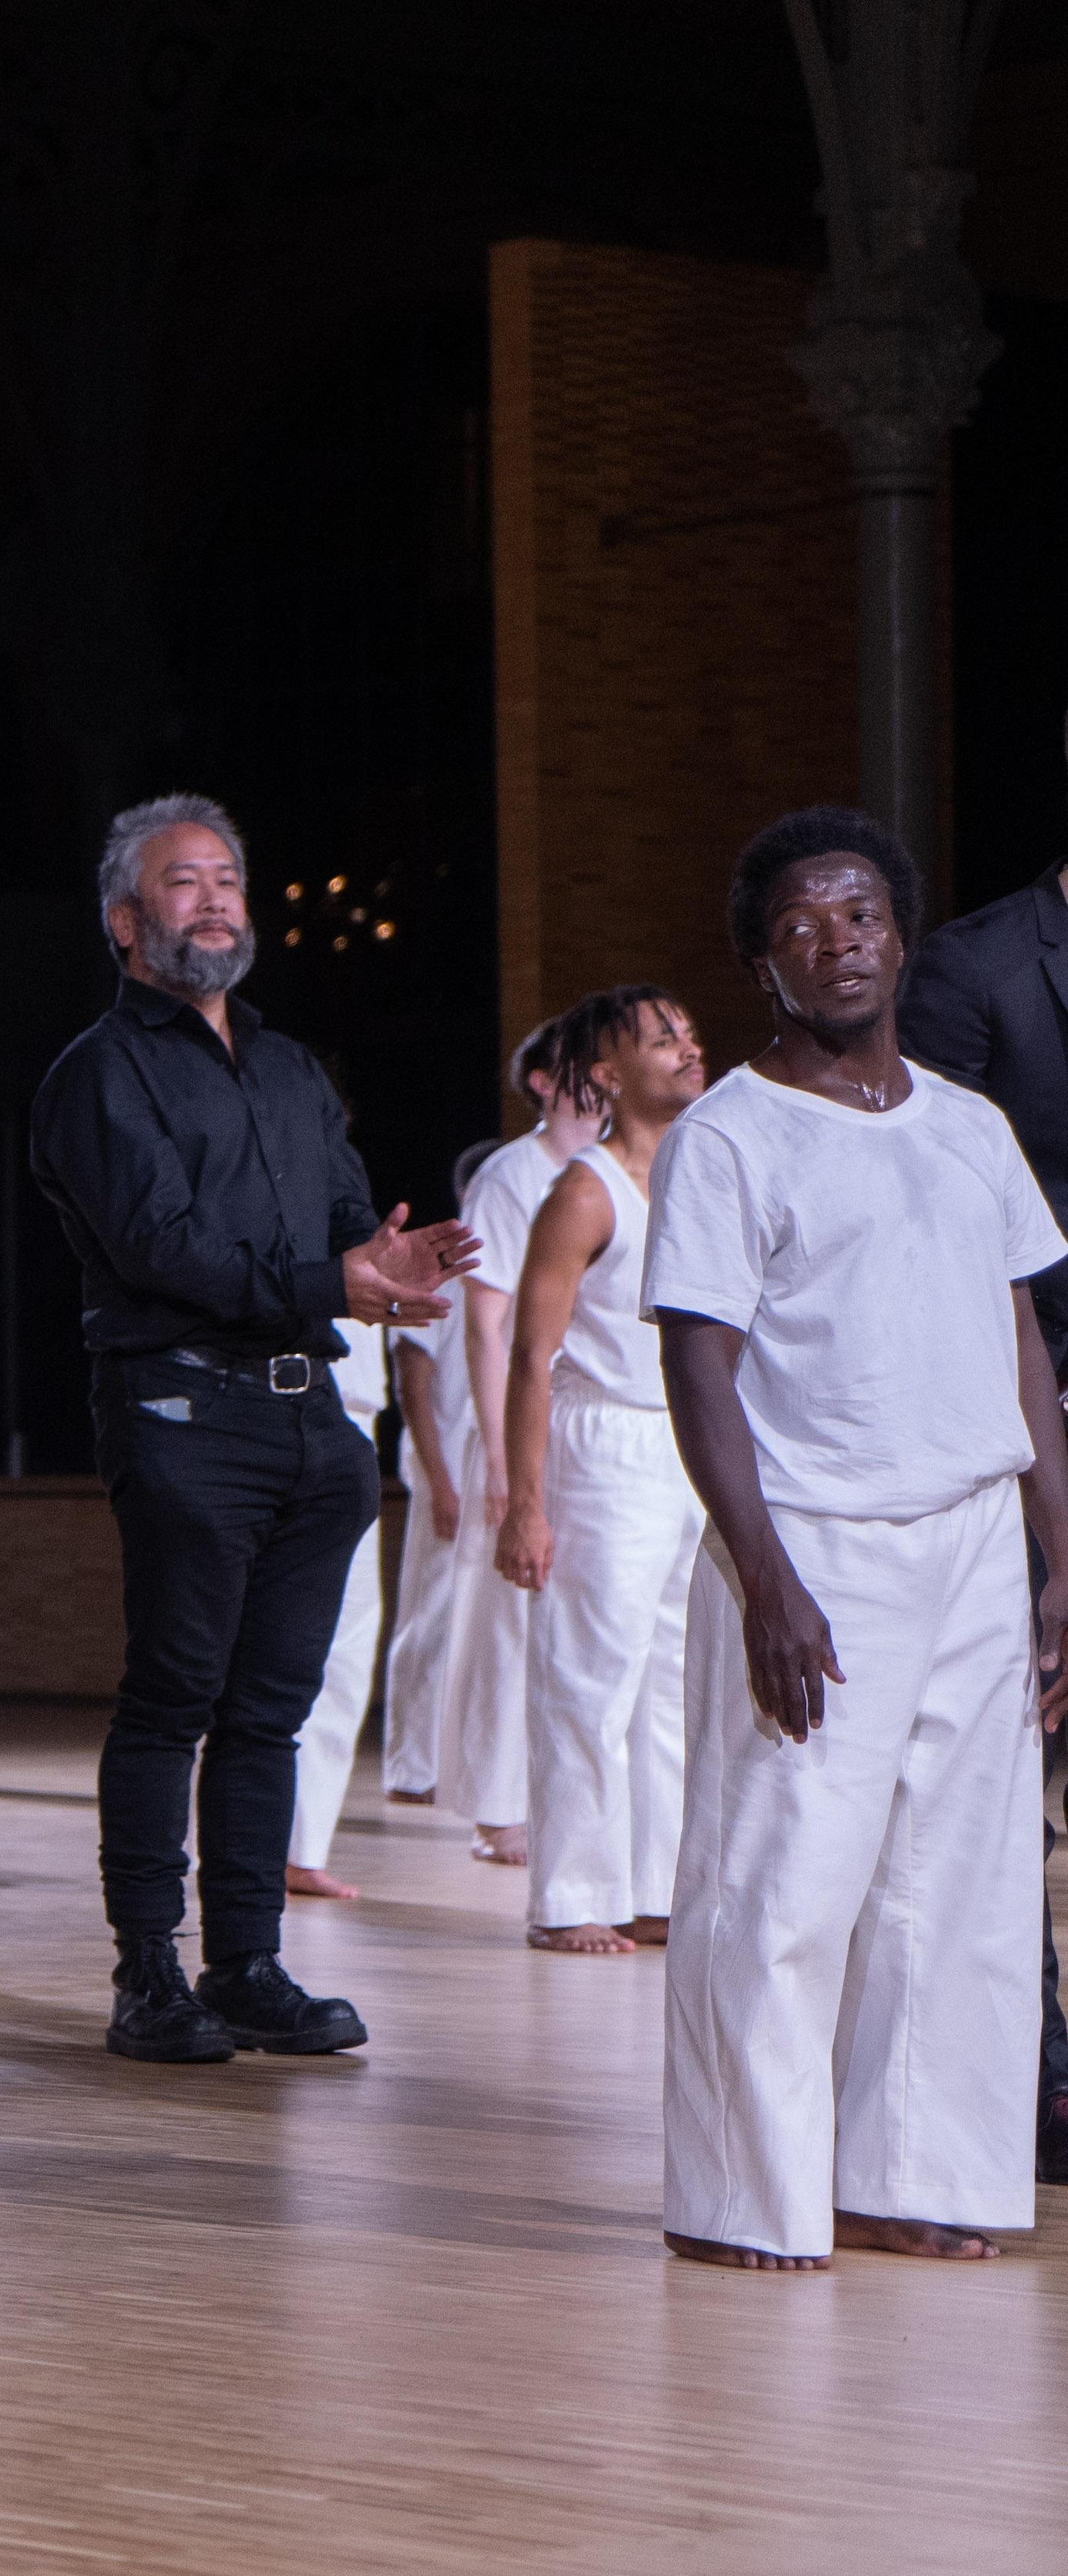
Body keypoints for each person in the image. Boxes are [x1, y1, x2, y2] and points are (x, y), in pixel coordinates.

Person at [651, 805, 1068, 2271]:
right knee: (780, 1880)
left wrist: (1059, 1551)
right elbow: (697, 1368)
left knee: (956, 1885)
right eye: (806, 924)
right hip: (814, 1545)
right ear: (766, 963)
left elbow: (1018, 1338)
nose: (843, 941)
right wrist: (761, 1570)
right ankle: (739, 2196)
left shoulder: (972, 1124)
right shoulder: (729, 1136)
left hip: (967, 1543)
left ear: (900, 932)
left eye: (865, 914)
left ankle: (917, 2176)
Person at [29, 793, 471, 2064]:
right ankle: (145, 1974)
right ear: (125, 920)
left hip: (309, 1420)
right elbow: (160, 1247)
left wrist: (386, 1257)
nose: (216, 898)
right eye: (184, 882)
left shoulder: (288, 1067)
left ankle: (248, 1961)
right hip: (179, 1409)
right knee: (174, 1696)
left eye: (229, 877)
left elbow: (337, 1220)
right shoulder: (97, 1073)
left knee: (270, 1708)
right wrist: (332, 1278)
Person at [897, 840, 1068, 2173]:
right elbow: (934, 1217)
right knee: (1025, 1763)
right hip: (1028, 1413)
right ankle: (1036, 2076)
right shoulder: (976, 967)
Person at [496, 985, 707, 1955]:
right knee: (587, 1680)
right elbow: (528, 1356)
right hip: (602, 1443)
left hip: (685, 1444)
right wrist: (524, 1503)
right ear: (608, 1075)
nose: (684, 1046)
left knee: (671, 1682)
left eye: (685, 1031)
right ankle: (569, 1896)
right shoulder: (584, 1189)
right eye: (659, 1038)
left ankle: (653, 1887)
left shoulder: (704, 1172)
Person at [443, 1018, 605, 1864]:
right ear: (544, 1080)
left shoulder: (615, 1168)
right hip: (519, 1413)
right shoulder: (512, 1176)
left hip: (595, 1422)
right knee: (506, 1615)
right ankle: (497, 1806)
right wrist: (500, 1457)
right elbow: (486, 1324)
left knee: (580, 1617)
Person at [376, 1144, 492, 1809]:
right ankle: (411, 1764)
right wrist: (441, 1479)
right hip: (443, 1464)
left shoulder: (504, 1271)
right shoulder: (442, 1273)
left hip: (492, 1468)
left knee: (478, 1621)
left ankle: (462, 1763)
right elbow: (413, 1383)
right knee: (432, 1614)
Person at [281, 1325, 396, 1900]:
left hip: (354, 1412)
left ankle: (303, 1848)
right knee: (255, 1647)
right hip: (273, 1395)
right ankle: (229, 1843)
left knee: (346, 1652)